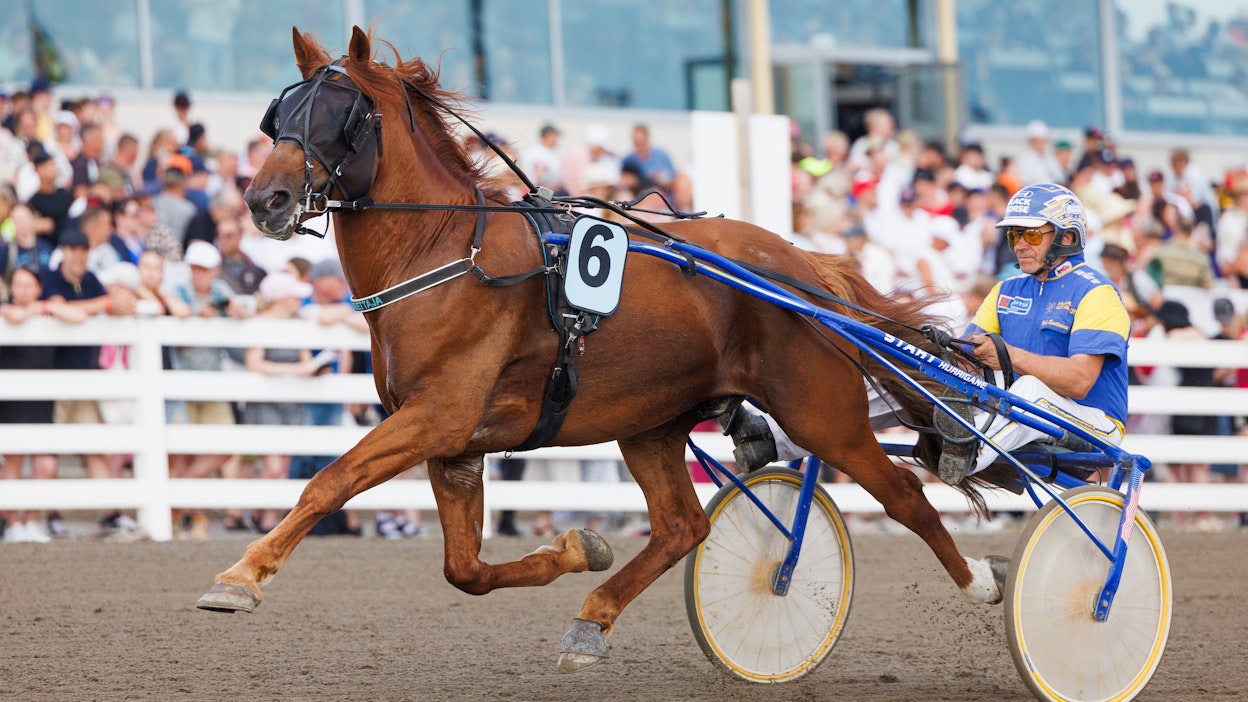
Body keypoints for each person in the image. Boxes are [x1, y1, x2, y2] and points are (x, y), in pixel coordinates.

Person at [726, 183, 1130, 490]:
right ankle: (772, 439)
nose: (1019, 246)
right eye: (1014, 236)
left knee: (1030, 390)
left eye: (1032, 236)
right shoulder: (1007, 291)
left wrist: (1008, 355)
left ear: (1066, 237)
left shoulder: (1095, 292)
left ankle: (965, 451)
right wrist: (937, 348)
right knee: (908, 377)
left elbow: (1080, 380)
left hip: (1092, 424)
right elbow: (971, 358)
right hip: (1019, 412)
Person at [1, 265, 88, 542]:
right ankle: (13, 523)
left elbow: (78, 315)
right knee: (12, 462)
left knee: (46, 465)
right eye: (19, 285)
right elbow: (13, 317)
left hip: (41, 399)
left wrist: (40, 308)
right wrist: (33, 310)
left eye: (29, 285)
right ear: (11, 288)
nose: (23, 290)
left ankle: (32, 521)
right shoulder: (4, 310)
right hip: (12, 399)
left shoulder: (47, 310)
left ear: (39, 288)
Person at [243, 271, 319, 534]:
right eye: (293, 296)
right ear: (281, 298)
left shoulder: (296, 323)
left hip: (291, 402)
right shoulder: (261, 323)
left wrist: (309, 368)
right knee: (273, 466)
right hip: (266, 404)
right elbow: (254, 363)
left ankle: (268, 520)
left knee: (284, 465)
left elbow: (305, 359)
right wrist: (293, 371)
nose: (298, 300)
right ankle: (254, 510)